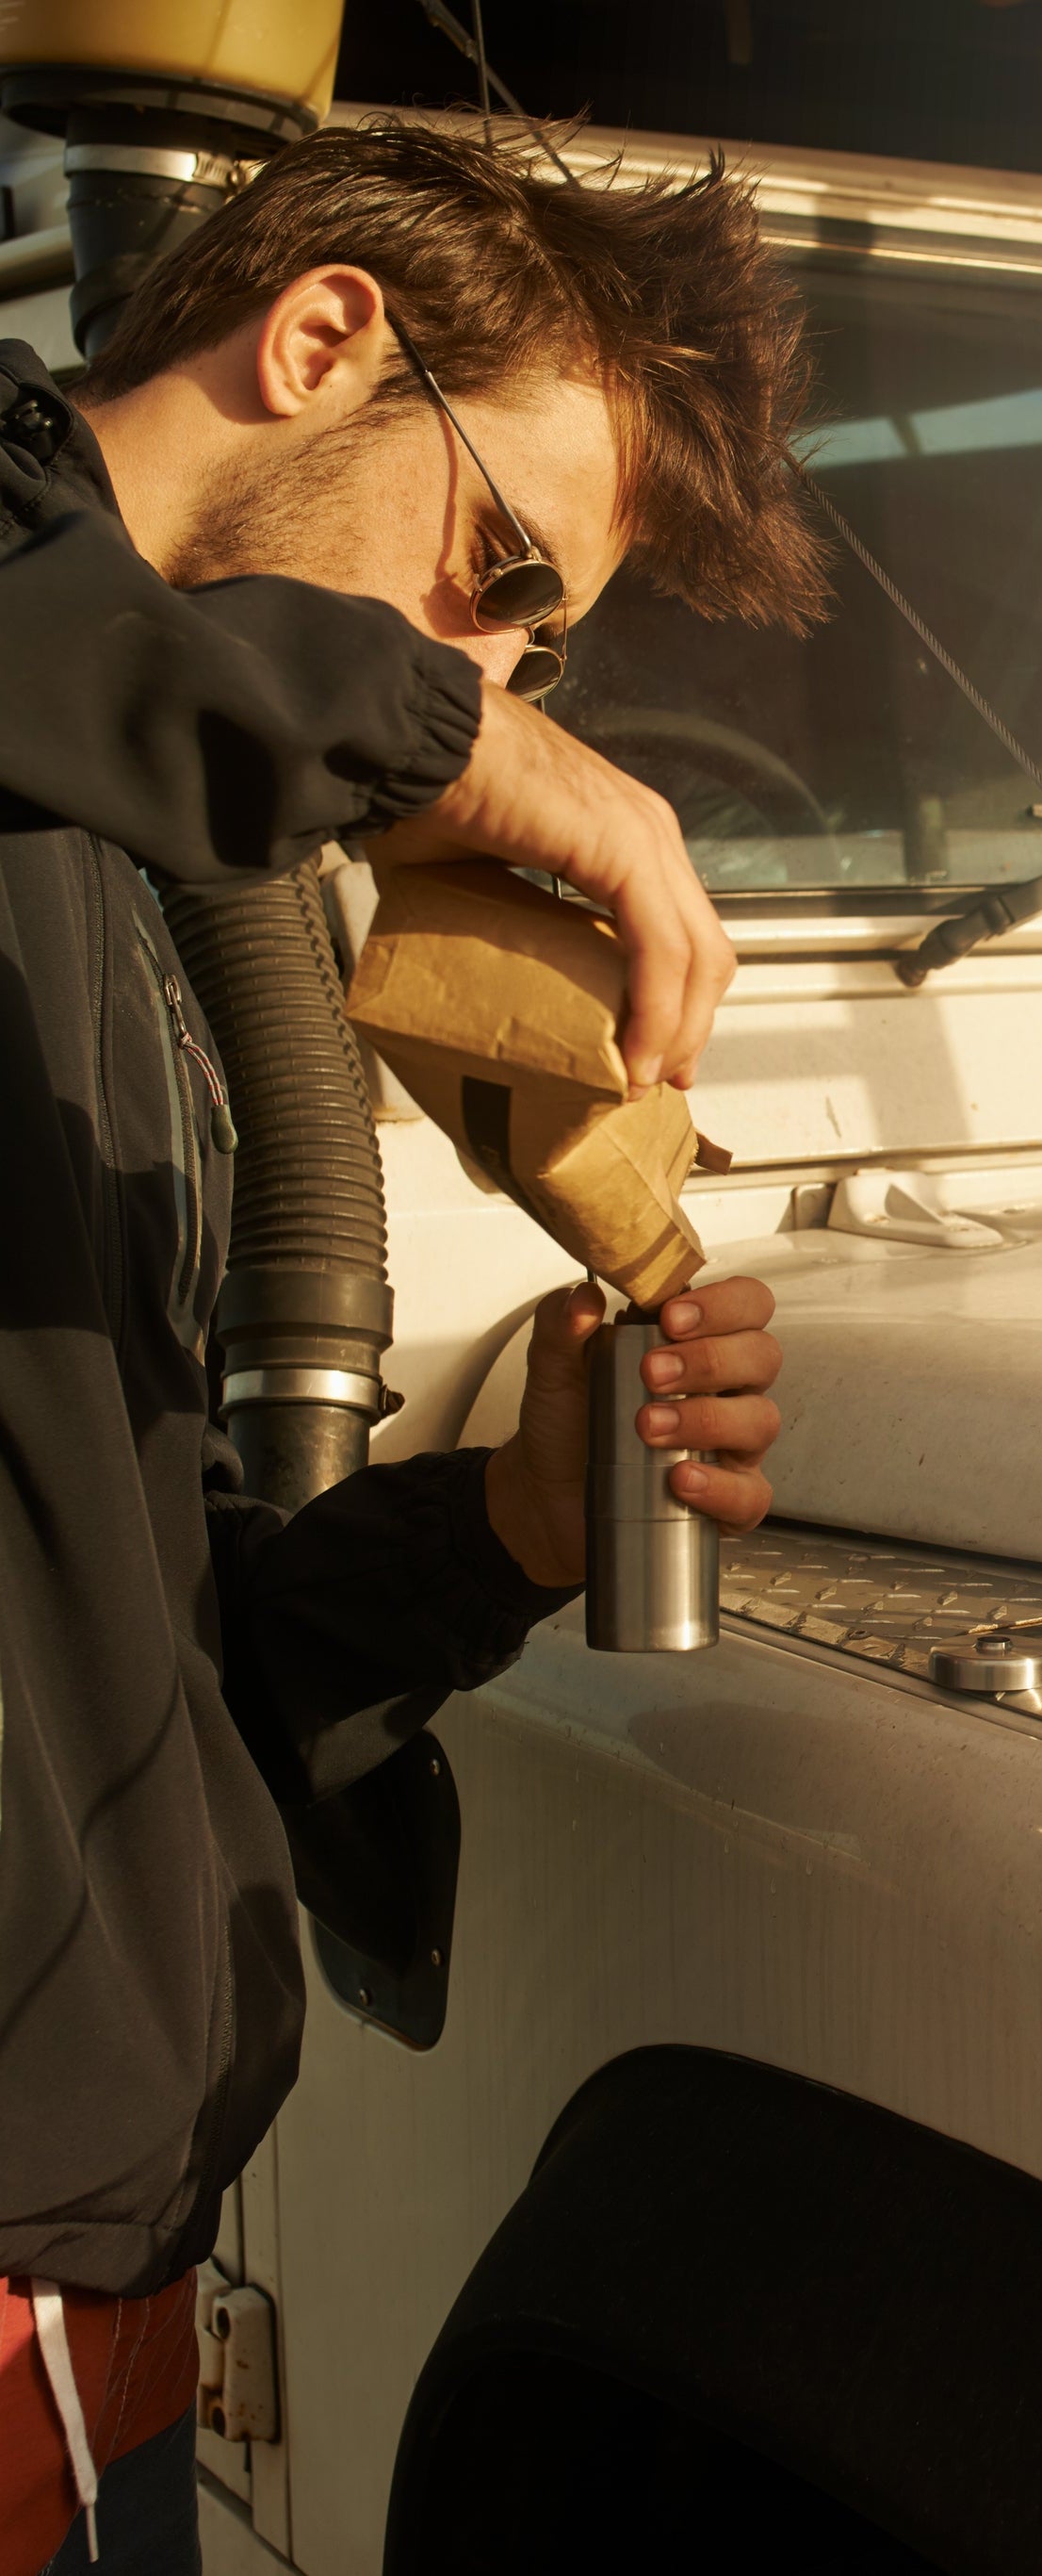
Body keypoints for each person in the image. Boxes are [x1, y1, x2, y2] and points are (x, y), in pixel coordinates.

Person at [0, 123, 824, 2573]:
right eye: (499, 582)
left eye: (533, 656)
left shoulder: (131, 875)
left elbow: (146, 1658)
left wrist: (506, 1524)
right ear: (328, 338)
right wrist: (445, 741)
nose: (481, 675)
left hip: (84, 2347)